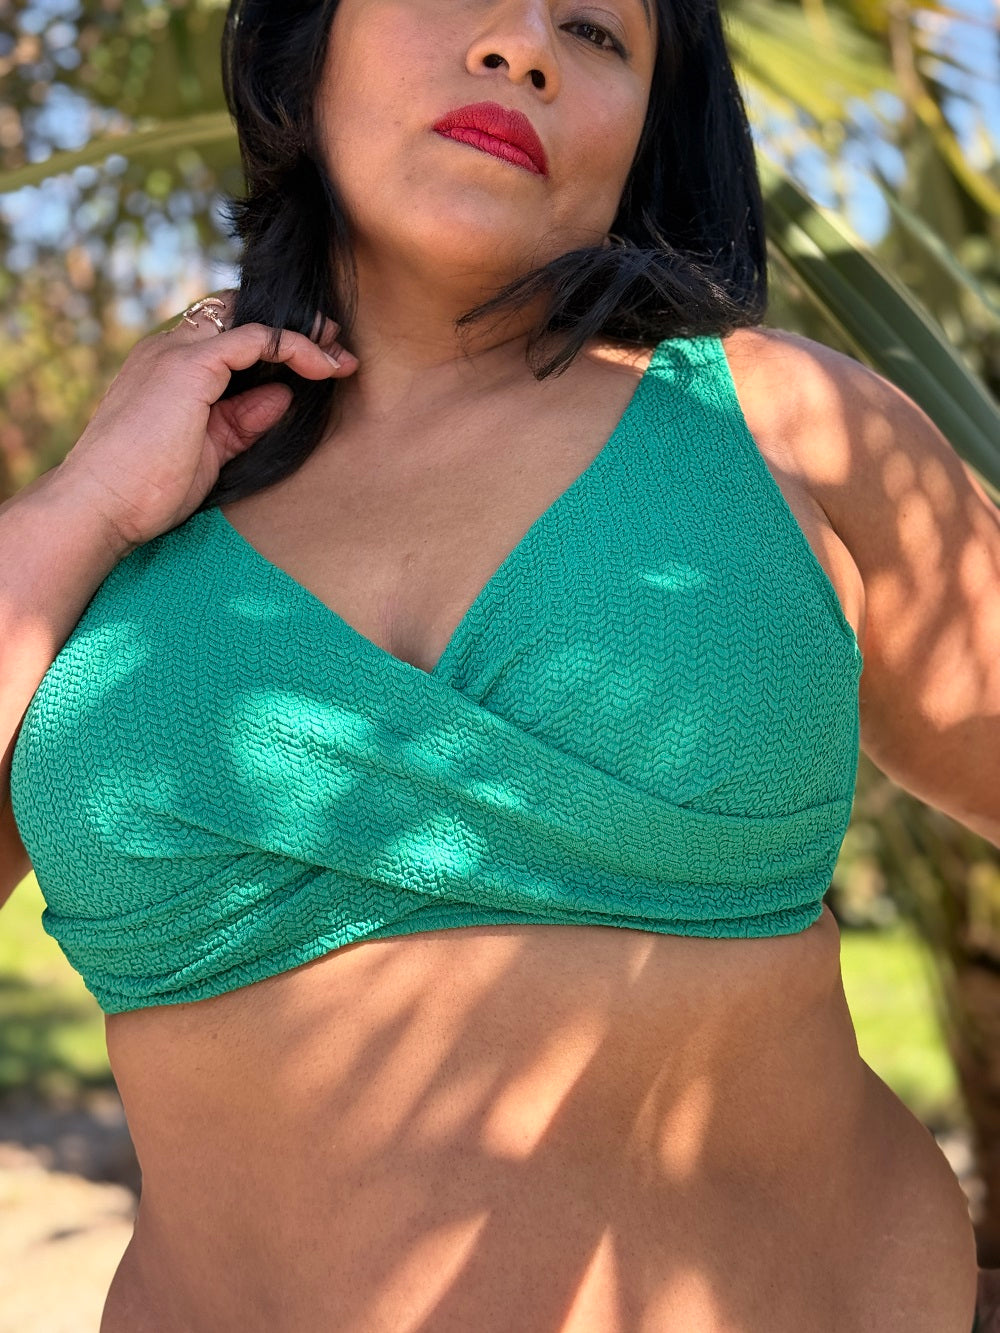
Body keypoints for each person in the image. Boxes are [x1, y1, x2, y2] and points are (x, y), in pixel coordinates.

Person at [0, 0, 997, 1326]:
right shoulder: (133, 513)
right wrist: (76, 510)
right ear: (305, 44)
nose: (522, 44)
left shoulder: (786, 425)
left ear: (648, 136)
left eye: (596, 31)